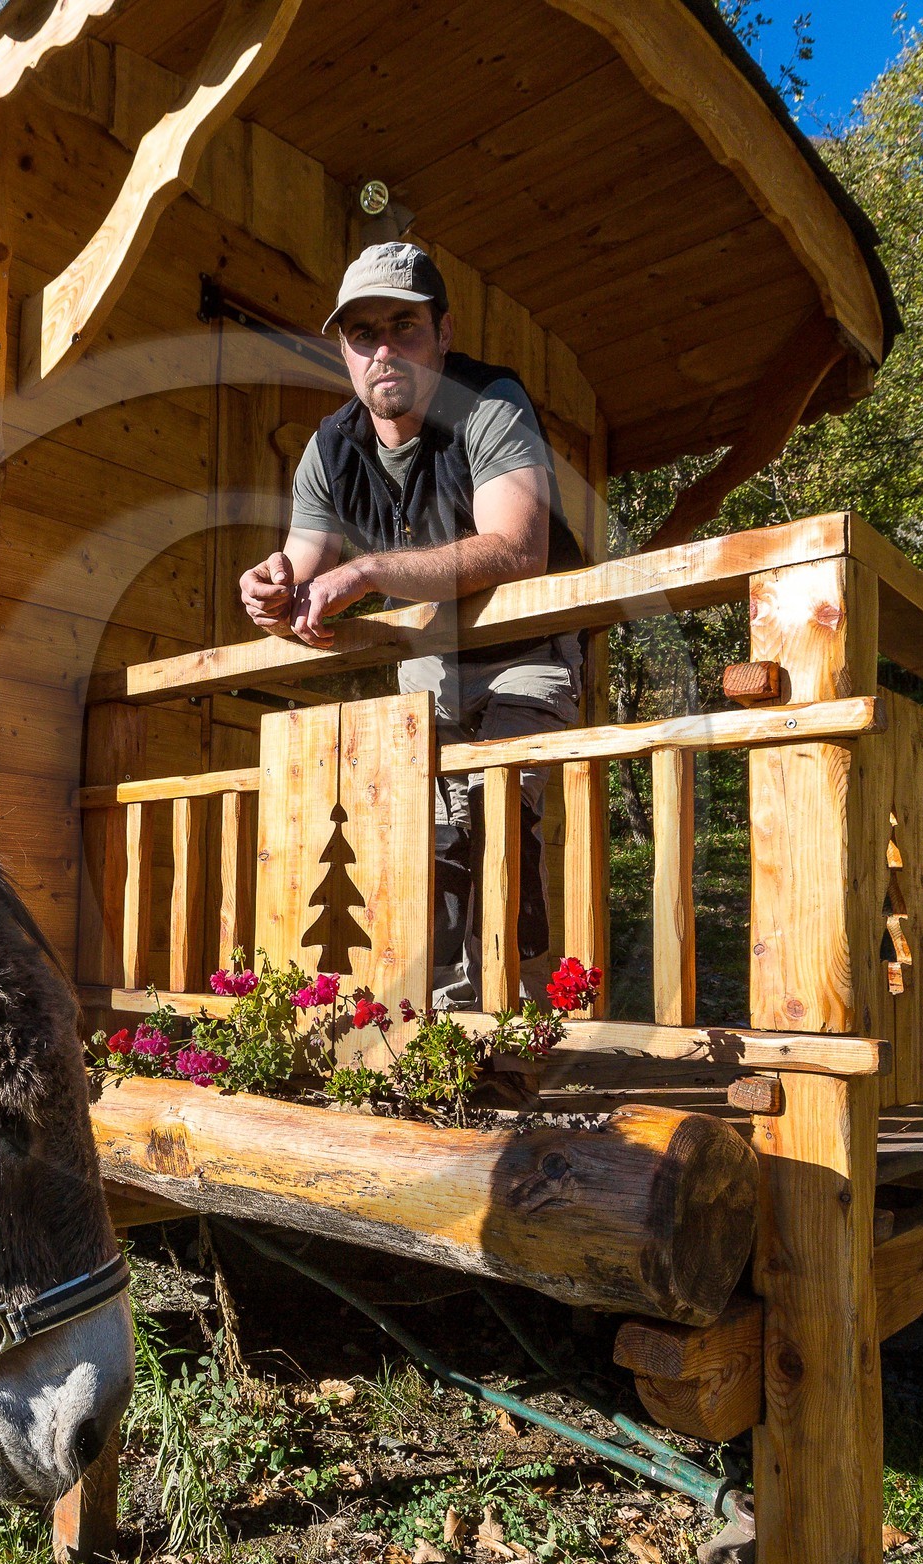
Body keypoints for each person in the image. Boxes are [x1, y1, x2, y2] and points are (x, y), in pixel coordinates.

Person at [238, 242, 586, 1009]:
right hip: (432, 651)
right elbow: (297, 568)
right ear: (344, 349)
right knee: (433, 831)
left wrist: (367, 573)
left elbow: (519, 548)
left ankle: (518, 1022)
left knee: (500, 820)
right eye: (364, 334)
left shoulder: (491, 403)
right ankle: (440, 1021)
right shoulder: (329, 451)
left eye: (405, 327)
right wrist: (268, 593)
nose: (384, 349)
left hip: (528, 643)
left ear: (444, 332)